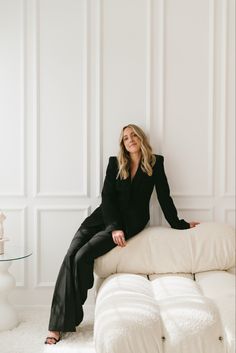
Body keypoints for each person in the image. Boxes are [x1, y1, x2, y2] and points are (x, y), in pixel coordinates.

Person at [44, 124, 199, 344]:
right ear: (123, 144)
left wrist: (179, 224)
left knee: (82, 256)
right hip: (104, 217)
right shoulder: (115, 163)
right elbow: (107, 196)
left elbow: (165, 196)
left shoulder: (156, 162)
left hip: (131, 223)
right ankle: (57, 324)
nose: (130, 140)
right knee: (70, 254)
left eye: (133, 135)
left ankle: (67, 318)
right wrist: (113, 226)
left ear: (140, 138)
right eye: (125, 138)